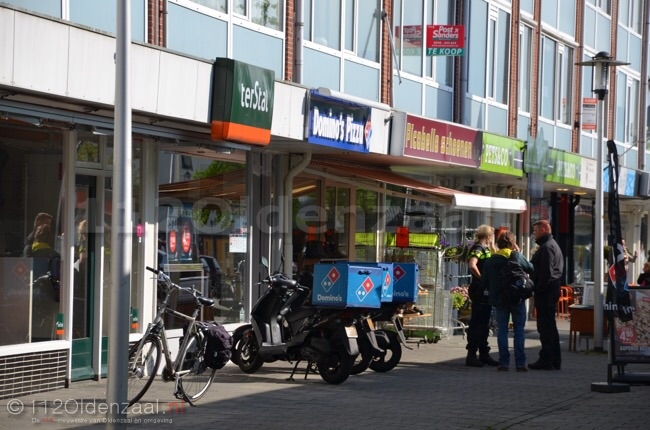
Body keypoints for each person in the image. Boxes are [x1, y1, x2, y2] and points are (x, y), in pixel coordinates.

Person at [483, 231, 533, 372]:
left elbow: (484, 282)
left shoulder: (491, 261)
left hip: (500, 300)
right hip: (517, 298)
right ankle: (520, 363)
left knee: (502, 331)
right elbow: (531, 268)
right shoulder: (516, 256)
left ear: (498, 244)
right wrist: (519, 253)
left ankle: (504, 363)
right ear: (512, 243)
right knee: (519, 331)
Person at [529, 220, 564, 370]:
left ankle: (547, 359)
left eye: (535, 231)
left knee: (545, 326)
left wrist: (537, 289)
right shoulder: (551, 245)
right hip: (550, 289)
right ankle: (554, 359)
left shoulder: (547, 247)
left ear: (543, 229)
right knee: (549, 326)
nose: (534, 234)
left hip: (547, 291)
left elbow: (546, 272)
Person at [464, 224, 499, 367]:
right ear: (488, 236)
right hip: (479, 290)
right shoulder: (478, 248)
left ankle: (484, 353)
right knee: (478, 322)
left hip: (485, 290)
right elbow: (472, 265)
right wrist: (482, 279)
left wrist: (492, 245)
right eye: (492, 235)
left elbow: (495, 255)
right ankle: (471, 354)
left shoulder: (485, 248)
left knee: (485, 322)